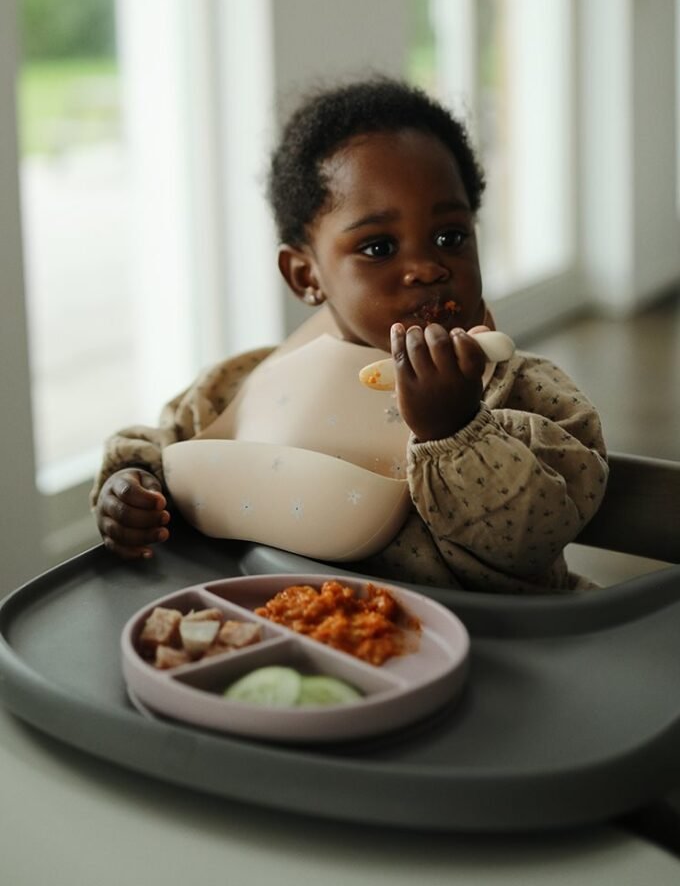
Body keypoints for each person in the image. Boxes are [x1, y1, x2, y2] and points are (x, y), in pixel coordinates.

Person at [92, 78, 608, 593]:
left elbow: (533, 537)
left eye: (450, 237)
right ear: (305, 275)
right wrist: (132, 490)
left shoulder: (531, 393)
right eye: (380, 247)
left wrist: (457, 429)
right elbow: (162, 452)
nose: (427, 268)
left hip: (499, 648)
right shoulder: (241, 387)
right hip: (302, 640)